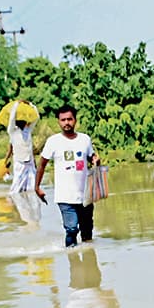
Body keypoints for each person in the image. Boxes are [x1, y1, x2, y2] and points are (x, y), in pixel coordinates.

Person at [34, 104, 100, 246]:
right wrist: (37, 186)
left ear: (75, 120)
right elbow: (42, 164)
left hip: (85, 194)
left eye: (69, 119)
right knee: (71, 229)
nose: (66, 123)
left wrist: (95, 159)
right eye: (63, 120)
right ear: (58, 121)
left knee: (87, 229)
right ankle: (73, 261)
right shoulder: (53, 142)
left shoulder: (85, 139)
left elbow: (90, 157)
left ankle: (89, 262)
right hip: (64, 195)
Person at [6, 104, 37, 194]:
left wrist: (32, 106)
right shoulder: (12, 131)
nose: (25, 123)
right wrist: (16, 105)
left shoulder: (28, 130)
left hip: (29, 161)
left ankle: (31, 204)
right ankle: (14, 201)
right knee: (16, 186)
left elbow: (36, 118)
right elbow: (12, 119)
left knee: (32, 187)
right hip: (19, 162)